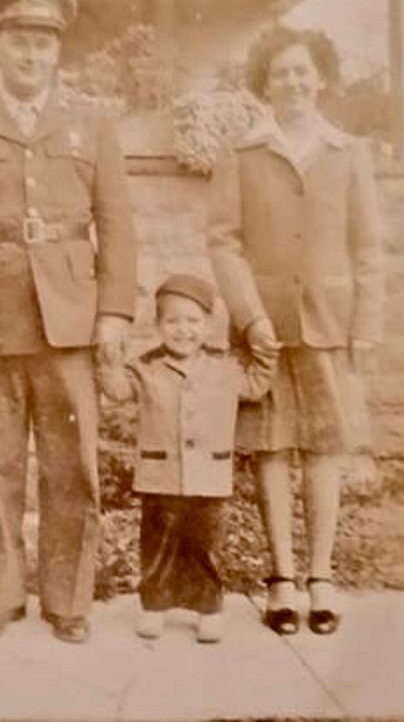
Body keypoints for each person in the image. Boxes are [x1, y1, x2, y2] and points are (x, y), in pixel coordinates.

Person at [0, 0, 136, 643]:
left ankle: (68, 600)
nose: (31, 54)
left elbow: (117, 223)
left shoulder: (92, 125)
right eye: (19, 41)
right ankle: (0, 594)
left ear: (57, 52)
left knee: (70, 464)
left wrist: (115, 312)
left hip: (70, 315)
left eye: (42, 42)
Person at [207, 25, 383, 635]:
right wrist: (249, 315)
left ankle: (321, 576)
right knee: (273, 448)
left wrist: (365, 323)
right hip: (267, 326)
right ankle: (281, 577)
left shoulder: (348, 152)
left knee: (325, 448)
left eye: (303, 71)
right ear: (265, 83)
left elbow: (367, 247)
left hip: (330, 321)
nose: (292, 83)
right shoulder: (241, 154)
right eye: (280, 73)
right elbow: (223, 241)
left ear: (322, 78)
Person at [99, 273, 277, 643]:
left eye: (193, 321)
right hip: (160, 475)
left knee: (204, 547)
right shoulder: (145, 367)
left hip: (209, 476)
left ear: (209, 325)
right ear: (158, 326)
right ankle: (154, 607)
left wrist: (266, 349)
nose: (183, 330)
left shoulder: (225, 366)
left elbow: (256, 386)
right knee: (158, 547)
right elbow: (117, 390)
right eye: (173, 321)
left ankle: (208, 608)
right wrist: (108, 359)